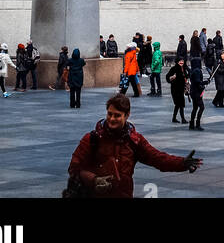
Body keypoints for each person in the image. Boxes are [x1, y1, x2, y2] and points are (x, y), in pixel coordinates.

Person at [67, 93, 201, 197]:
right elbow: (74, 168)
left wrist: (182, 163)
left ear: (127, 115)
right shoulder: (92, 138)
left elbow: (157, 158)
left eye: (117, 115)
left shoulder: (134, 141)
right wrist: (94, 180)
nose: (112, 119)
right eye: (110, 114)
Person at [167, 58, 188, 122]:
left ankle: (174, 118)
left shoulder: (184, 69)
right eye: (180, 61)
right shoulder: (174, 69)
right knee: (180, 104)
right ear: (177, 62)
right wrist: (172, 77)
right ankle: (183, 119)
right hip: (175, 89)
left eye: (182, 61)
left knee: (178, 104)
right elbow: (168, 77)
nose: (181, 62)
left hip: (181, 89)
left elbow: (186, 76)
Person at [189, 60, 206, 130]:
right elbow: (198, 82)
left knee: (195, 108)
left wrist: (204, 82)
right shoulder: (197, 71)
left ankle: (192, 124)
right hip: (196, 92)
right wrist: (204, 83)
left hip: (193, 92)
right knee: (201, 107)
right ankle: (197, 123)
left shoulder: (193, 70)